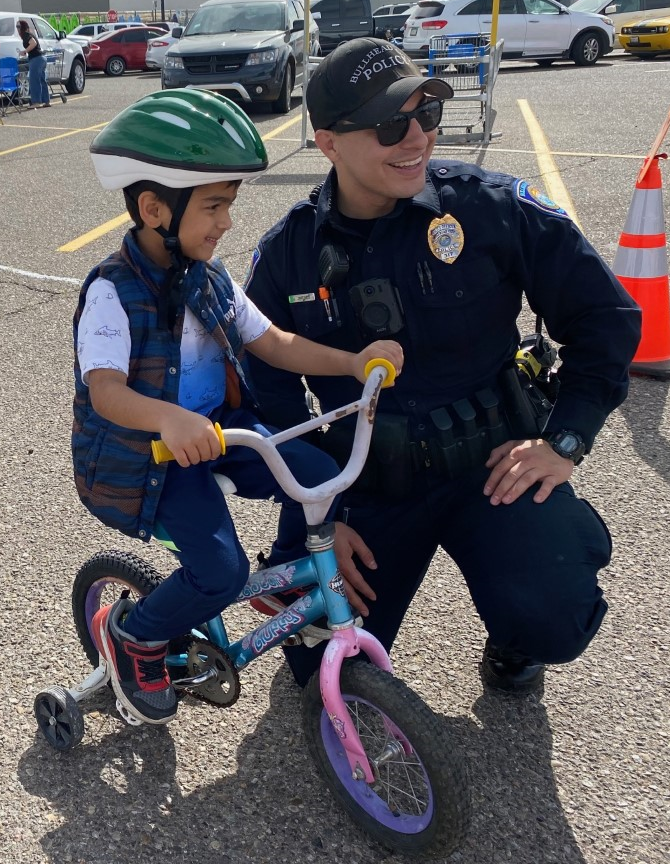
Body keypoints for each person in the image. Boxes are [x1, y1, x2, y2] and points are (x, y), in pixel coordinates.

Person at [244, 38, 642, 695]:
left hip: (490, 468)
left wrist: (565, 439)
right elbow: (271, 393)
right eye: (389, 125)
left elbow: (606, 318)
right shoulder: (288, 256)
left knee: (553, 615)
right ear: (328, 143)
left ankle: (521, 625)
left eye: (426, 116)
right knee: (321, 677)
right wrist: (316, 519)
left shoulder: (488, 207)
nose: (415, 139)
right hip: (366, 487)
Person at [72, 88, 403, 727]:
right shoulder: (112, 293)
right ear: (153, 208)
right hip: (151, 456)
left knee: (318, 474)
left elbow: (271, 341)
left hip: (219, 433)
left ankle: (286, 569)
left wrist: (353, 361)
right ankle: (136, 633)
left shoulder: (209, 275)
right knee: (219, 573)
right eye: (214, 206)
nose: (226, 222)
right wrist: (167, 417)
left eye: (230, 205)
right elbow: (106, 390)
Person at [16, 19, 50, 109]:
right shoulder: (31, 34)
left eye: (19, 27)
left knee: (34, 81)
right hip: (42, 58)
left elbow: (33, 43)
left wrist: (25, 51)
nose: (18, 30)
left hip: (36, 59)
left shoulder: (27, 35)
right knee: (42, 80)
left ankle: (36, 102)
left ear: (22, 28)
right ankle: (46, 101)